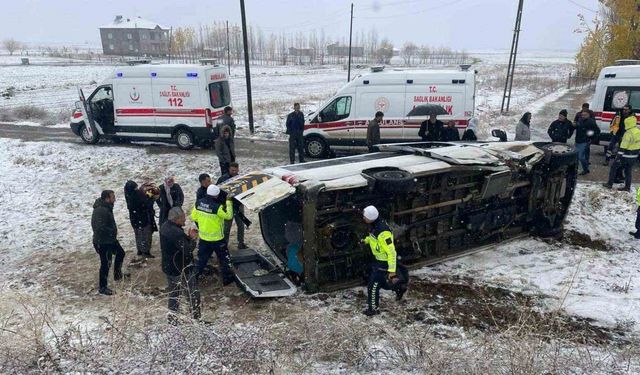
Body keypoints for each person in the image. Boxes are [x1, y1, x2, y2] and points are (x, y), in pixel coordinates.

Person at [361, 205, 407, 316]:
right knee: (382, 283)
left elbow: (391, 252)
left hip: (384, 262)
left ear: (370, 218)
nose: (363, 218)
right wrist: (366, 240)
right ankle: (399, 287)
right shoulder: (375, 225)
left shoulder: (382, 232)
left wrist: (392, 270)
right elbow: (374, 239)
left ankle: (373, 309)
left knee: (373, 286)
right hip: (378, 260)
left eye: (364, 216)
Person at [161, 207, 201, 323]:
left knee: (174, 294)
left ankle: (172, 319)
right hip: (181, 268)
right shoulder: (176, 232)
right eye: (183, 218)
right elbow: (187, 250)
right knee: (193, 294)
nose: (185, 220)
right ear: (176, 219)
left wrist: (187, 238)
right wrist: (193, 239)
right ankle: (196, 320)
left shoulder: (165, 226)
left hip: (169, 266)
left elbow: (177, 245)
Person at [191, 184, 235, 285]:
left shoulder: (198, 203)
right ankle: (227, 279)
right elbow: (228, 216)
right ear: (216, 195)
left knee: (201, 260)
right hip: (217, 239)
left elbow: (194, 217)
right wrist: (229, 202)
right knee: (224, 259)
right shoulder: (217, 207)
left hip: (204, 239)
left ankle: (194, 279)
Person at [91, 190, 126, 295]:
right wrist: (111, 232)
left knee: (120, 253)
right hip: (103, 242)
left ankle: (117, 275)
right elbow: (99, 227)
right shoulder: (101, 210)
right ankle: (103, 287)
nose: (114, 199)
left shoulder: (106, 208)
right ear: (107, 198)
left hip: (109, 240)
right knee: (106, 263)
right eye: (113, 197)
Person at [603, 108, 640, 191]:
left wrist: (618, 157)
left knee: (614, 167)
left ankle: (609, 183)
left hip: (625, 155)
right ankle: (627, 187)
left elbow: (623, 147)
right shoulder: (638, 131)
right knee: (628, 171)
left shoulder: (627, 134)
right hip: (634, 156)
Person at [217, 162, 247, 250]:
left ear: (238, 170)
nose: (234, 172)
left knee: (241, 226)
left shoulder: (241, 179)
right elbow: (217, 191)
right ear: (229, 169)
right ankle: (225, 244)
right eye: (232, 170)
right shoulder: (223, 179)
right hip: (227, 206)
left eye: (235, 170)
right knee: (227, 228)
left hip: (238, 206)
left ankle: (241, 243)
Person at [124, 181, 158, 258]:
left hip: (134, 219)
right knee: (146, 235)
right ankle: (145, 252)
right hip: (143, 219)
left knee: (138, 235)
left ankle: (140, 250)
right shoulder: (136, 196)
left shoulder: (128, 195)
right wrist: (151, 197)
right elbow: (146, 203)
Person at [574, 110, 601, 175]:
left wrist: (590, 138)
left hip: (585, 141)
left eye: (585, 115)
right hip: (578, 140)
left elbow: (597, 131)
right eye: (582, 115)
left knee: (581, 157)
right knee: (577, 156)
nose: (583, 116)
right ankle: (579, 169)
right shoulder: (580, 120)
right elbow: (578, 127)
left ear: (588, 115)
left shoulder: (591, 122)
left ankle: (585, 169)